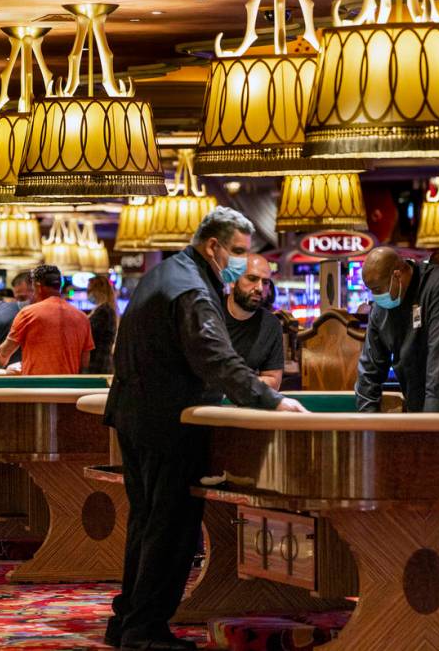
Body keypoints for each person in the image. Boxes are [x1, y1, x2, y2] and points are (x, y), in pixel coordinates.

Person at [102, 207, 306, 651]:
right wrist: (269, 399)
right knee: (170, 529)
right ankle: (145, 631)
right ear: (212, 246)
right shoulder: (192, 287)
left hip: (138, 415)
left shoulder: (165, 273)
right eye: (236, 251)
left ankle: (128, 621)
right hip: (167, 422)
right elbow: (214, 356)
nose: (240, 261)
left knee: (146, 523)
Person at [355, 246, 439, 413]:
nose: (374, 297)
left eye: (376, 290)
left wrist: (429, 426)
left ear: (397, 275)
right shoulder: (381, 308)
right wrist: (368, 422)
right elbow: (369, 371)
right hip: (421, 404)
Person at [0, 265, 94, 375]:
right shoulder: (82, 317)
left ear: (38, 286)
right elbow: (85, 361)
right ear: (59, 285)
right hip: (70, 387)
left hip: (35, 386)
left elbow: (3, 353)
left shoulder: (27, 314)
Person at [224, 254, 284, 390]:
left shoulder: (271, 325)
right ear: (233, 281)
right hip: (206, 405)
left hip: (246, 405)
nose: (260, 288)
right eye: (252, 279)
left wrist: (228, 382)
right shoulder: (210, 314)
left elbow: (273, 381)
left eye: (266, 282)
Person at [86, 276, 117, 374]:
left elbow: (89, 336)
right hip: (101, 362)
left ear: (99, 290)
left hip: (98, 364)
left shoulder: (104, 310)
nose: (88, 294)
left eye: (89, 290)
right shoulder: (105, 309)